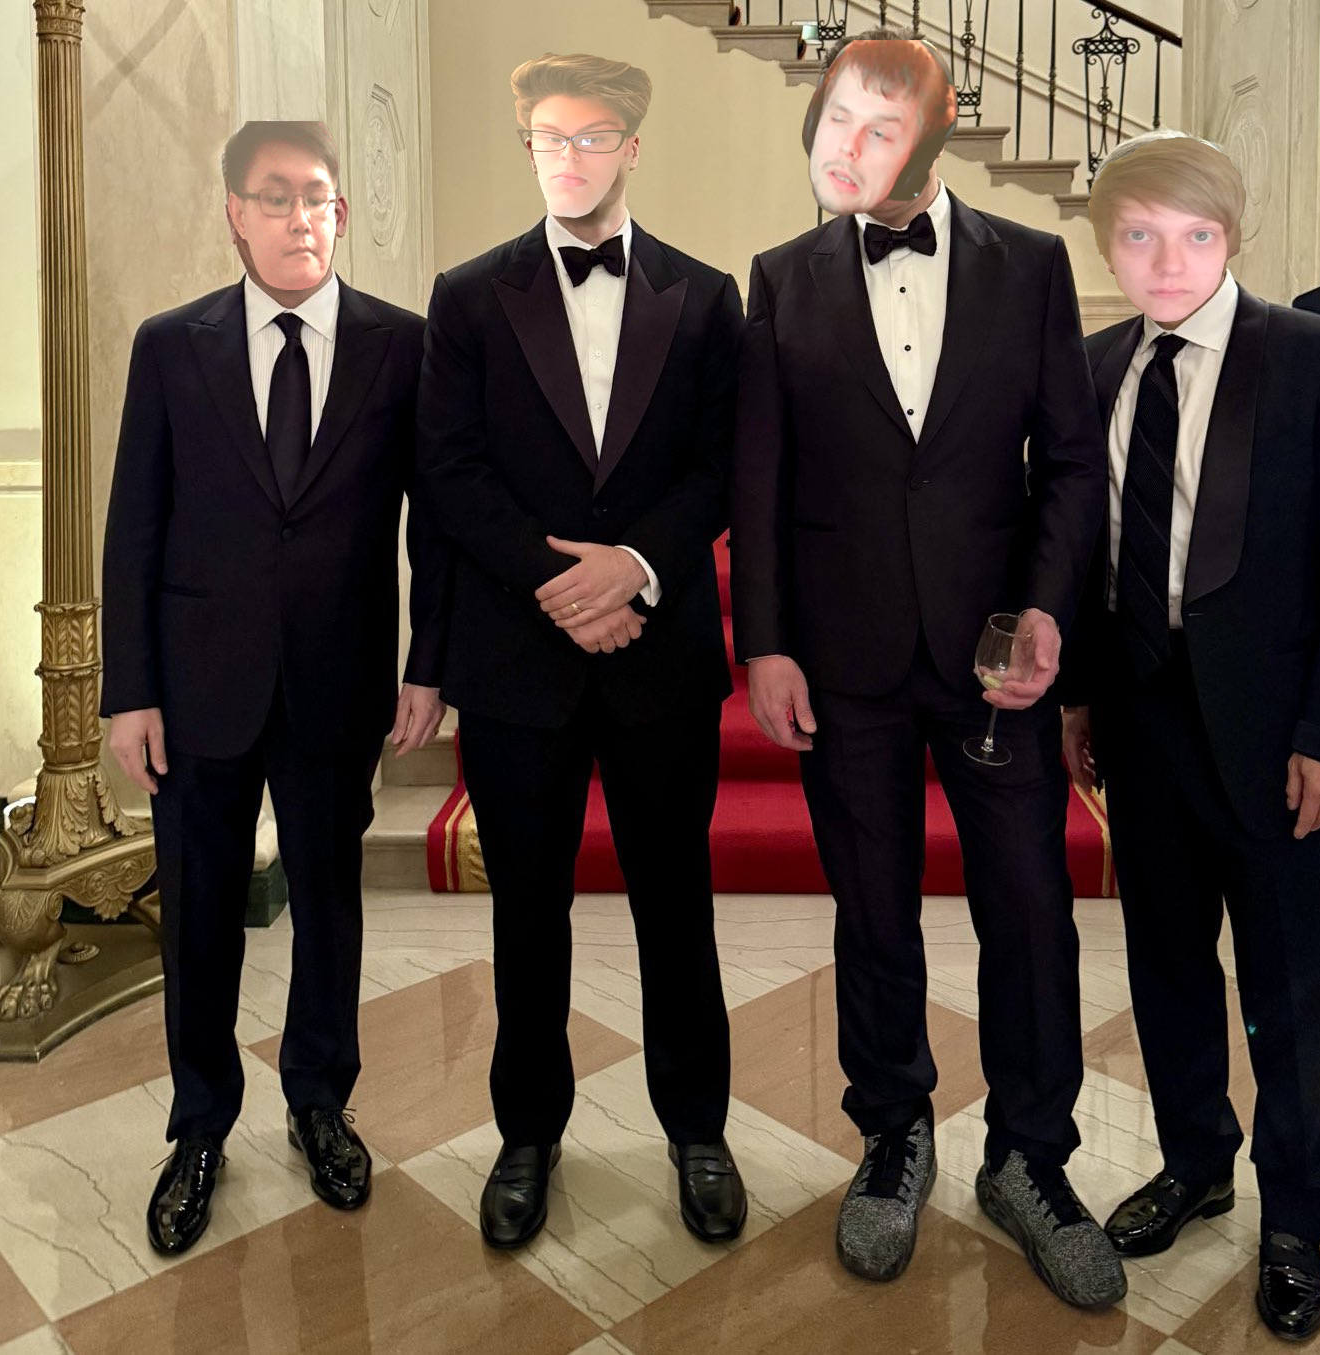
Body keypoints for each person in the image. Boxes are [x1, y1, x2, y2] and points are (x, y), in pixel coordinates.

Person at [732, 30, 1123, 1303]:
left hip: (992, 658)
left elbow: (1070, 462)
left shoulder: (1032, 264)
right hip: (842, 659)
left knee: (1031, 910)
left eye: (882, 123)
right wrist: (765, 642)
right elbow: (761, 478)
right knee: (873, 909)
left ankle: (1030, 1156)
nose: (850, 143)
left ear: (938, 136)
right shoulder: (779, 278)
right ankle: (894, 1134)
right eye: (838, 120)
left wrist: (1047, 610)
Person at [1053, 129, 1320, 1342]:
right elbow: (1092, 554)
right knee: (1166, 965)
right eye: (1140, 236)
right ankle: (1196, 1159)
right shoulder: (1093, 366)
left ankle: (1295, 1214)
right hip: (1141, 724)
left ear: (1233, 236)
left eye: (1195, 234)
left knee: (1287, 985)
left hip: (1276, 737)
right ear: (1106, 246)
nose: (1168, 260)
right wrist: (1081, 697)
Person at [416, 52, 747, 1250]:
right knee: (527, 912)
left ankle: (697, 1130)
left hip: (660, 655)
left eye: (591, 136)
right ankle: (528, 1132)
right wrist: (563, 583)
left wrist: (637, 566)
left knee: (677, 905)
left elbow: (723, 463)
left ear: (632, 149)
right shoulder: (468, 296)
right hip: (521, 656)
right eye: (547, 138)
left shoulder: (706, 296)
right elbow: (448, 469)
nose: (568, 158)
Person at [102, 120, 450, 1255]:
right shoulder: (172, 346)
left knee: (330, 904)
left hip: (335, 681)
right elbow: (135, 523)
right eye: (276, 196)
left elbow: (435, 522)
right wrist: (129, 690)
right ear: (236, 215)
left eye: (319, 198)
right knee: (200, 916)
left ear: (340, 215)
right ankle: (200, 1125)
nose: (301, 216)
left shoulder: (401, 345)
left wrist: (427, 662)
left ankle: (320, 1101)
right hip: (196, 687)